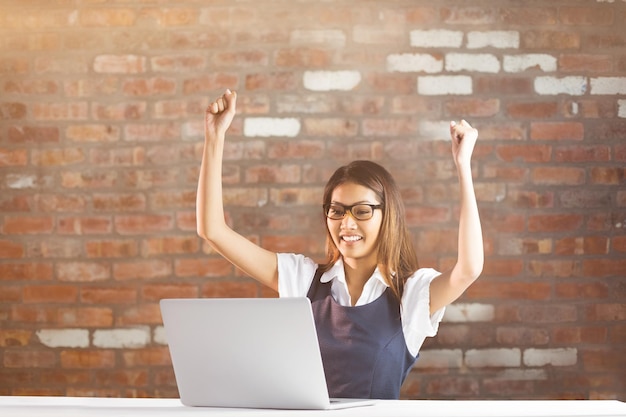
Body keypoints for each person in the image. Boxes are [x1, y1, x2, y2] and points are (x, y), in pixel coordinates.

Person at [196, 89, 484, 400]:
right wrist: (215, 136)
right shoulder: (304, 281)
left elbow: (468, 269)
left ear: (388, 216)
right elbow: (212, 230)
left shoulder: (410, 294)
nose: (346, 224)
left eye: (361, 211)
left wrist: (463, 165)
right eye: (337, 211)